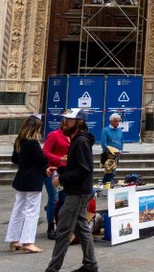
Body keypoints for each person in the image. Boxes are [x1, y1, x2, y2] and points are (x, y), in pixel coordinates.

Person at [45, 108, 98, 272]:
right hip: (78, 190)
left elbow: (85, 169)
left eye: (69, 120)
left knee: (63, 230)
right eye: (65, 119)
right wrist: (59, 170)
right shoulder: (77, 140)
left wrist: (62, 178)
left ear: (79, 122)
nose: (65, 122)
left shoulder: (80, 142)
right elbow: (76, 166)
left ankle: (52, 269)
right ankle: (90, 265)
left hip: (77, 192)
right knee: (81, 227)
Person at [5, 115, 47, 254]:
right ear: (35, 128)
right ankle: (28, 242)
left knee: (18, 209)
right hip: (33, 179)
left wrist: (26, 164)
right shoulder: (32, 142)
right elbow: (42, 160)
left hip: (21, 178)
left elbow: (14, 159)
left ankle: (14, 239)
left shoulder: (20, 141)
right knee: (32, 211)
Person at [42, 112, 73, 239]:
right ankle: (50, 227)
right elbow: (45, 152)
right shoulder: (54, 135)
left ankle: (60, 224)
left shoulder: (72, 137)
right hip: (52, 170)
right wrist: (60, 159)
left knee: (63, 199)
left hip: (65, 173)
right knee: (53, 199)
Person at [100, 113, 124, 186]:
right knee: (109, 169)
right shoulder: (106, 130)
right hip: (109, 154)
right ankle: (107, 182)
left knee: (114, 169)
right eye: (116, 121)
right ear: (111, 121)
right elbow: (104, 143)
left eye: (118, 121)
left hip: (117, 154)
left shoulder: (120, 130)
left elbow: (121, 141)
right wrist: (110, 151)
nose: (118, 123)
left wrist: (121, 150)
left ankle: (107, 182)